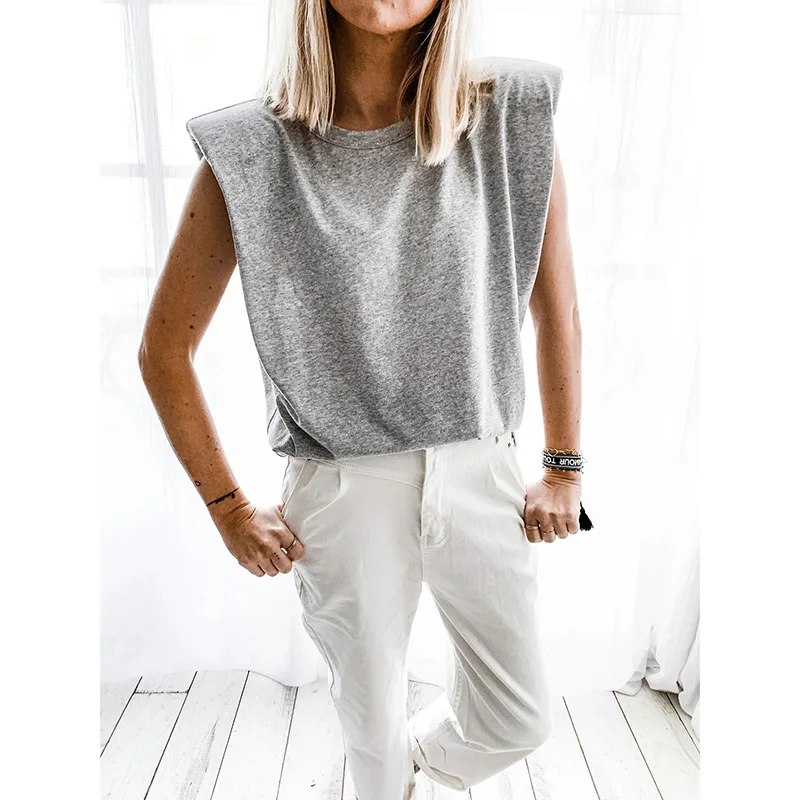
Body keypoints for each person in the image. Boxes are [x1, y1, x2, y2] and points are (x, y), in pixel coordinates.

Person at [138, 1, 588, 798]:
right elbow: (164, 352)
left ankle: (409, 771)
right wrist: (228, 509)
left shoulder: (514, 112)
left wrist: (562, 466)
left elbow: (558, 310)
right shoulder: (250, 148)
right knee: (371, 739)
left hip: (479, 466)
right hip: (341, 485)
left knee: (517, 718)